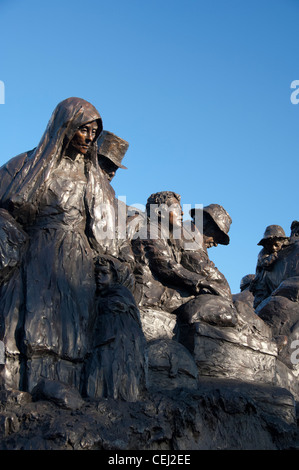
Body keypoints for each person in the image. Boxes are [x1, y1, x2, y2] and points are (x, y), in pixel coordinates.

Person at [0, 97, 120, 392]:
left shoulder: (96, 180)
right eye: (83, 130)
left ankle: (67, 386)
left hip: (77, 258)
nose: (89, 138)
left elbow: (106, 234)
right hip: (38, 251)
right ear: (65, 127)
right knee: (35, 319)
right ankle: (27, 385)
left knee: (72, 328)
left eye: (94, 133)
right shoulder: (24, 166)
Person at [82, 255, 147, 401]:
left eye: (104, 273)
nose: (98, 277)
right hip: (103, 343)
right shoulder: (102, 297)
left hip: (115, 345)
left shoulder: (120, 296)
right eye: (96, 273)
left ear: (116, 276)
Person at [250, 225, 289, 308]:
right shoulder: (263, 253)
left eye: (276, 245)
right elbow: (265, 262)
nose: (273, 248)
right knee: (260, 300)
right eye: (270, 245)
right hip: (261, 280)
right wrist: (274, 256)